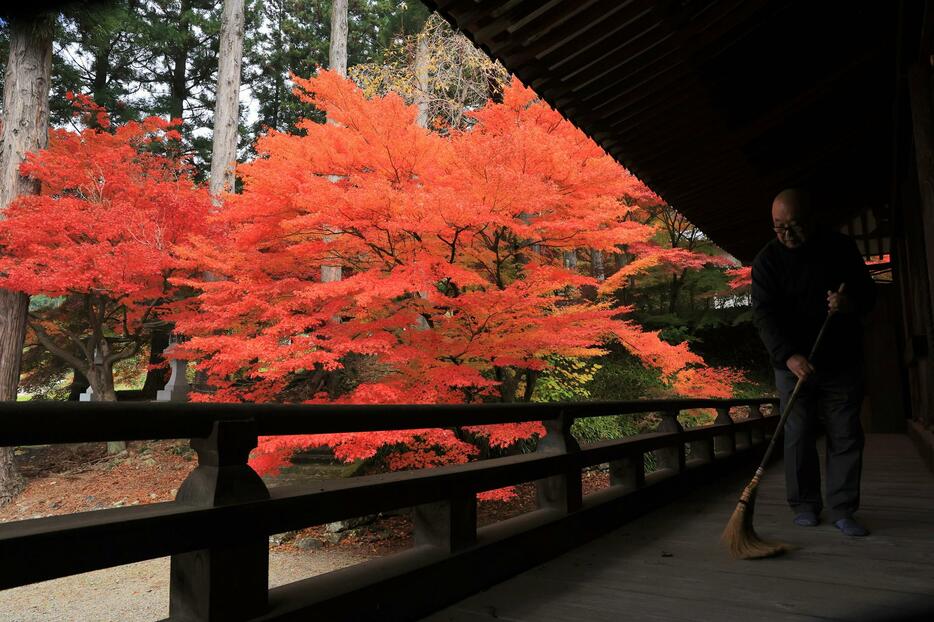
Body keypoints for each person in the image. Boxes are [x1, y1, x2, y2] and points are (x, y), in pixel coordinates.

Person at [751, 188, 876, 537]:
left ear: (812, 218)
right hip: (791, 364)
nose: (787, 235)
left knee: (846, 434)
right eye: (779, 227)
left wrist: (848, 303)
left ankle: (842, 508)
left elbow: (869, 295)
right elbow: (763, 316)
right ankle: (804, 503)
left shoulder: (840, 248)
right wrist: (788, 356)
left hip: (842, 359)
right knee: (798, 433)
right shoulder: (767, 262)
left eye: (795, 225)